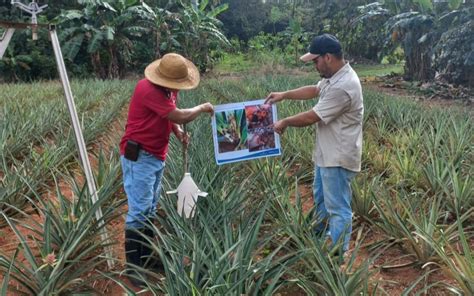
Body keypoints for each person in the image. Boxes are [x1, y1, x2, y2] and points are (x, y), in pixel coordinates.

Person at [120, 53, 214, 285]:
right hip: (139, 156)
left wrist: (177, 132)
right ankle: (133, 266)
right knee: (139, 209)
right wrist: (201, 107)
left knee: (150, 207)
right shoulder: (147, 89)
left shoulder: (167, 90)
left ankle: (147, 255)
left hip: (155, 155)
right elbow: (177, 114)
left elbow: (169, 115)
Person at [265, 34, 363, 255]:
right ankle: (320, 237)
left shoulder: (344, 86)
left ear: (327, 57)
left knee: (338, 207)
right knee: (320, 196)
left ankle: (337, 255)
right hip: (326, 152)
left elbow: (312, 116)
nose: (314, 65)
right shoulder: (334, 76)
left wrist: (285, 121)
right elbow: (315, 89)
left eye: (315, 61)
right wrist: (285, 95)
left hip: (337, 157)